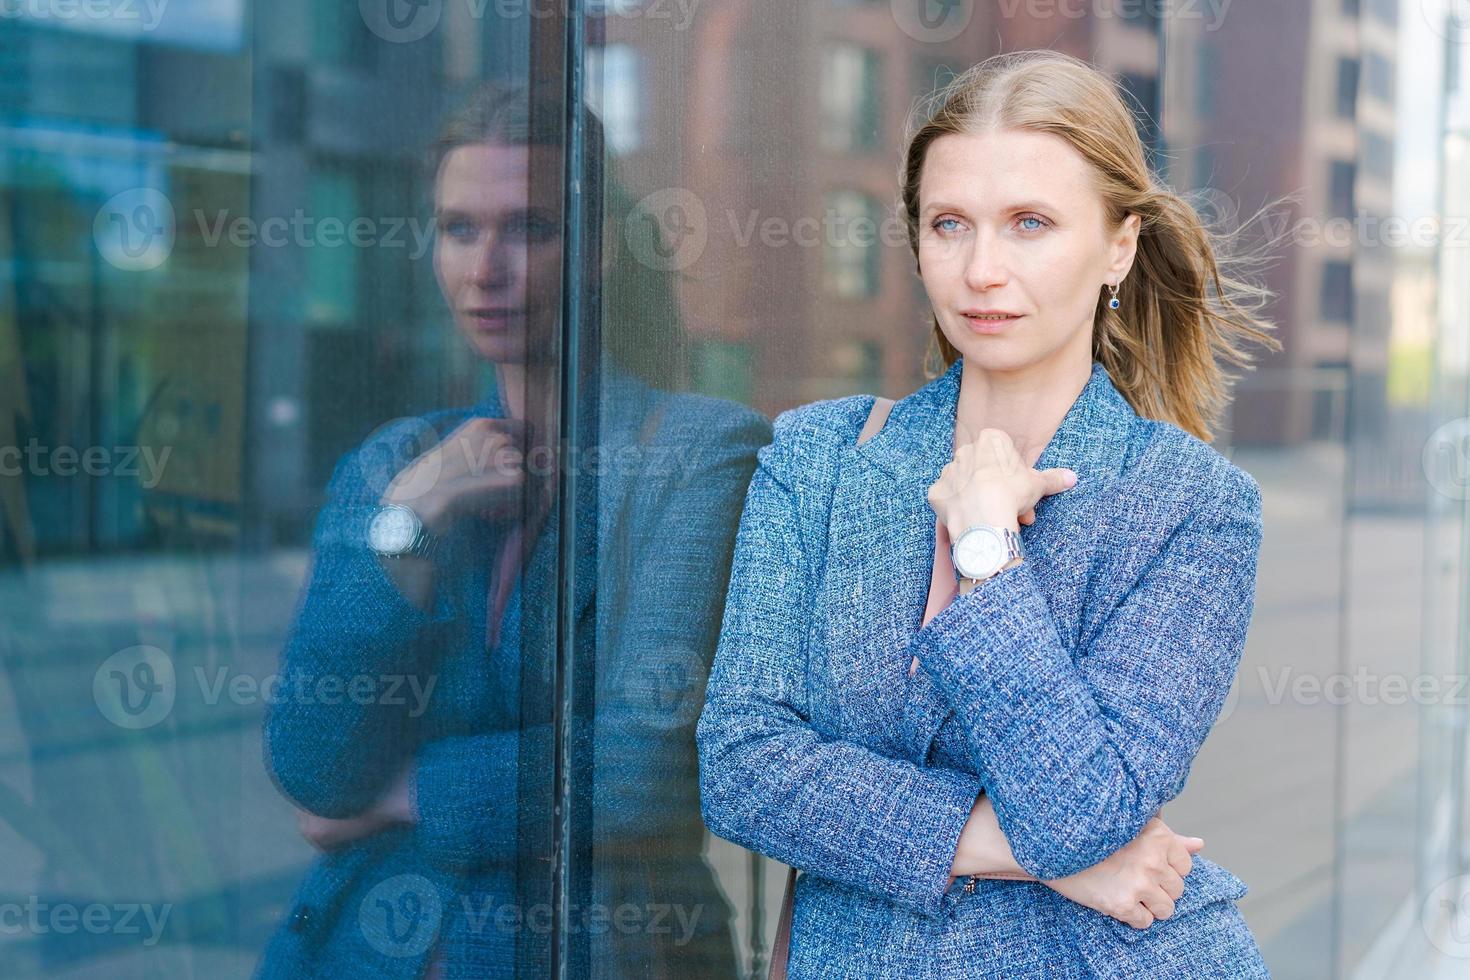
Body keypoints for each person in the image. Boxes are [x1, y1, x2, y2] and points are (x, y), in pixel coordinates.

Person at [697, 49, 1284, 978]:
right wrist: (1047, 860)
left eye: (1030, 224)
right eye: (949, 225)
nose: (981, 269)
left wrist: (986, 552)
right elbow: (745, 771)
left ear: (1119, 245)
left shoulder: (1193, 507)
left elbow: (1083, 809)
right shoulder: (821, 460)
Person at [256, 83, 768, 979]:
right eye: (459, 228)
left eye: (527, 229)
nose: (484, 268)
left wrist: (406, 792)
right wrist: (409, 524)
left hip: (605, 954)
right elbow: (313, 766)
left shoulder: (699, 453)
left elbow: (645, 776)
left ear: (596, 248)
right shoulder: (398, 467)